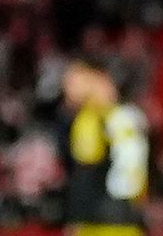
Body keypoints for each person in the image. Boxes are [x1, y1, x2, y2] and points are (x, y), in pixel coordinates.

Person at [62, 59, 149, 236]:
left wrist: (77, 217)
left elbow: (87, 170)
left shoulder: (93, 118)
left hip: (101, 219)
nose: (68, 88)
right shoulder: (128, 115)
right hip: (124, 216)